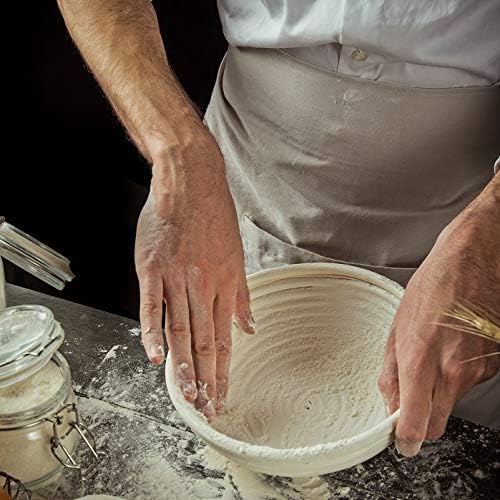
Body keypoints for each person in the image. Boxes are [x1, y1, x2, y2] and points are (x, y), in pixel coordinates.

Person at [57, 1, 499, 457]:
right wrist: (176, 153)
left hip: (471, 212)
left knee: (446, 455)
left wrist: (490, 243)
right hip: (240, 179)